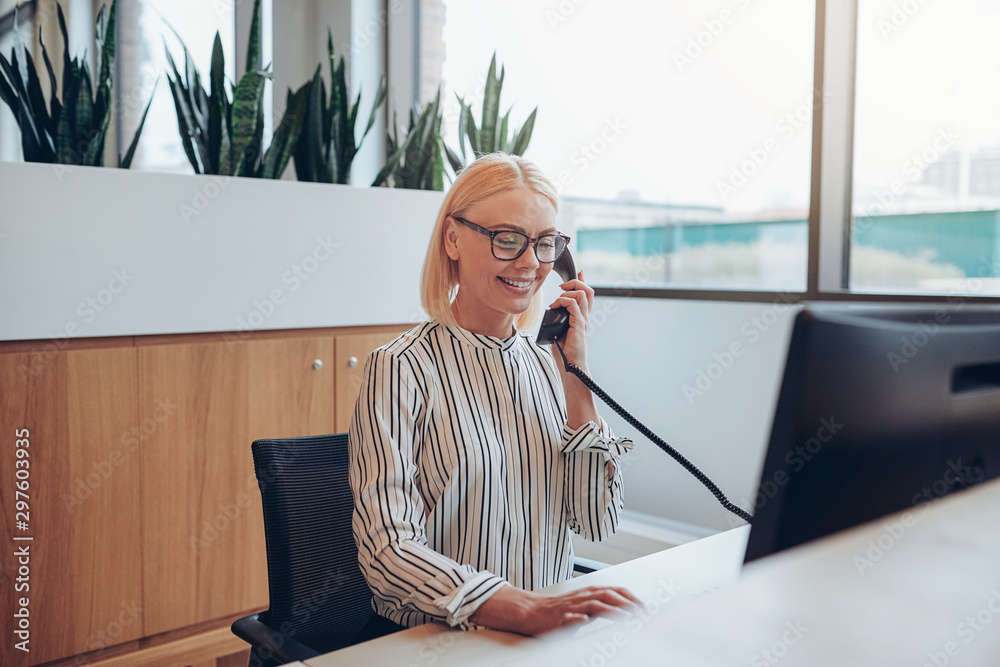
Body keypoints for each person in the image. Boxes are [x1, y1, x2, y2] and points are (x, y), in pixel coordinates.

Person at [348, 152, 638, 638]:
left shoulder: (550, 366)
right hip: (448, 639)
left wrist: (577, 379)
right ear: (453, 239)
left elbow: (596, 521)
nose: (530, 263)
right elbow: (388, 551)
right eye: (507, 240)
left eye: (545, 244)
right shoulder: (401, 368)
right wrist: (517, 607)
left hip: (544, 631)